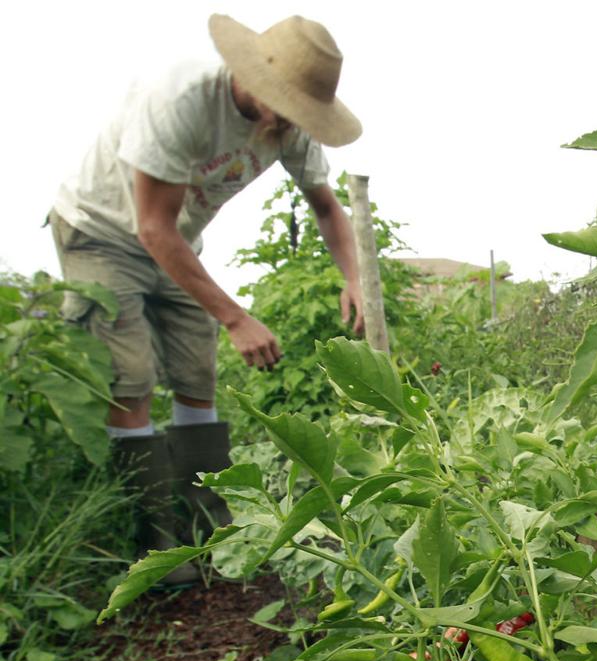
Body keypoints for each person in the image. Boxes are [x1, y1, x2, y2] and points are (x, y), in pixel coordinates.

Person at [49, 14, 364, 585]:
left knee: (198, 377)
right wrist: (236, 317)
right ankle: (153, 549)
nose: (295, 123)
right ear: (257, 83)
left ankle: (209, 538)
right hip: (103, 232)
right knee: (131, 378)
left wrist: (355, 278)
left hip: (178, 242)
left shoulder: (290, 128)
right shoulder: (183, 100)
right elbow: (152, 228)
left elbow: (326, 207)